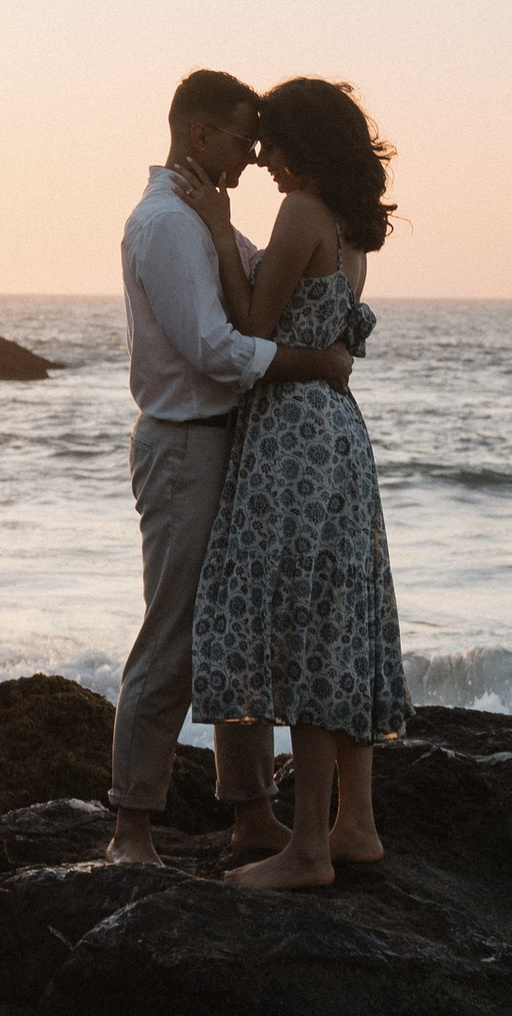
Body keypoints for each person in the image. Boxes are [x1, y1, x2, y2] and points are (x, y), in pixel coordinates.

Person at [107, 70, 357, 866]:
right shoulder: (167, 226)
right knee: (176, 635)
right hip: (186, 445)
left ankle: (251, 814)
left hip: (229, 440)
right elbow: (215, 347)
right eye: (244, 136)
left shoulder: (203, 219)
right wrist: (316, 363)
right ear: (199, 134)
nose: (254, 154)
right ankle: (131, 827)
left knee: (236, 630)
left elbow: (256, 280)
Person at [172, 75, 406, 894]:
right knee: (341, 617)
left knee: (301, 629)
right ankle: (356, 826)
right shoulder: (350, 227)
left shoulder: (301, 212)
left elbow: (248, 329)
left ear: (302, 144)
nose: (262, 158)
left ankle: (307, 850)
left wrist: (216, 226)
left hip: (292, 435)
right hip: (340, 436)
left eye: (271, 141)